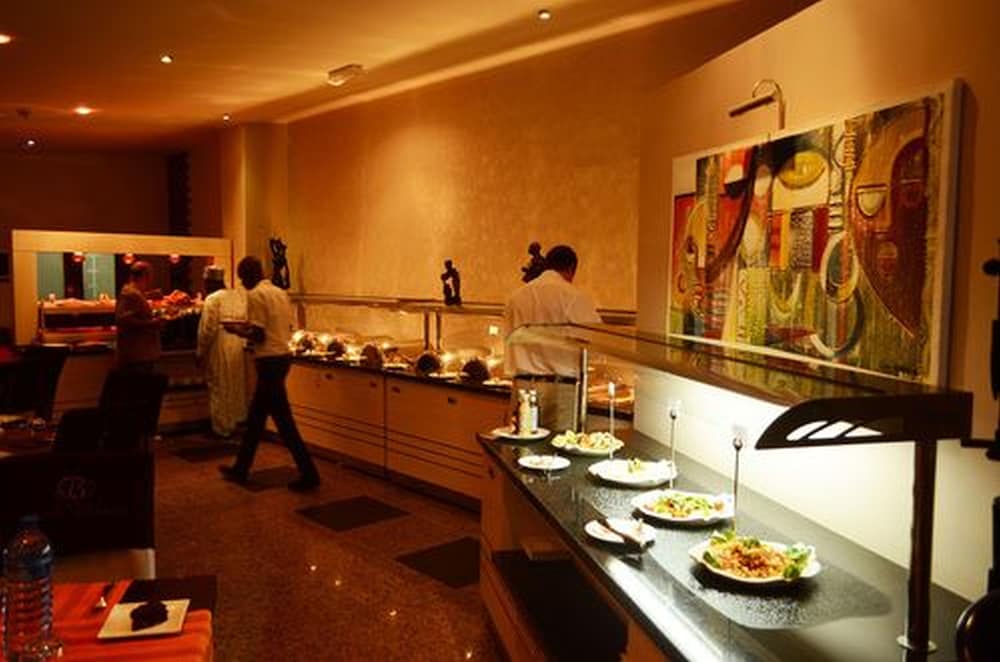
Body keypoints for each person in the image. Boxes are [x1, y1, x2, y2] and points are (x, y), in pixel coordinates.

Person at [218, 256, 320, 492]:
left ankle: (309, 474)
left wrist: (235, 330)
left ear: (250, 275)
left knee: (284, 422)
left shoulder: (255, 295)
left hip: (268, 361)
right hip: (282, 357)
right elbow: (278, 326)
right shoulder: (279, 292)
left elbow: (259, 335)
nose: (242, 283)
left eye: (242, 278)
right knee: (256, 419)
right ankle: (241, 469)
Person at [504, 245, 601, 432]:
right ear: (572, 269)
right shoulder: (574, 297)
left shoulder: (515, 297)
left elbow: (508, 340)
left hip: (523, 386)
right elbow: (595, 341)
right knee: (559, 446)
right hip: (561, 389)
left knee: (523, 446)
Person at [196, 266, 248, 438]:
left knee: (218, 385)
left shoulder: (212, 299)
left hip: (218, 344)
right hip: (237, 343)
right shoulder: (237, 295)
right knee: (234, 385)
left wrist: (200, 352)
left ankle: (221, 428)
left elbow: (207, 330)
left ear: (210, 282)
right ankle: (234, 421)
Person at [115, 261, 162, 373]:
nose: (151, 280)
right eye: (150, 275)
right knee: (139, 382)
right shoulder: (130, 294)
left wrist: (148, 295)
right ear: (145, 275)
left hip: (138, 353)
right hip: (138, 354)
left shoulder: (134, 293)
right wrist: (153, 323)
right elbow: (122, 320)